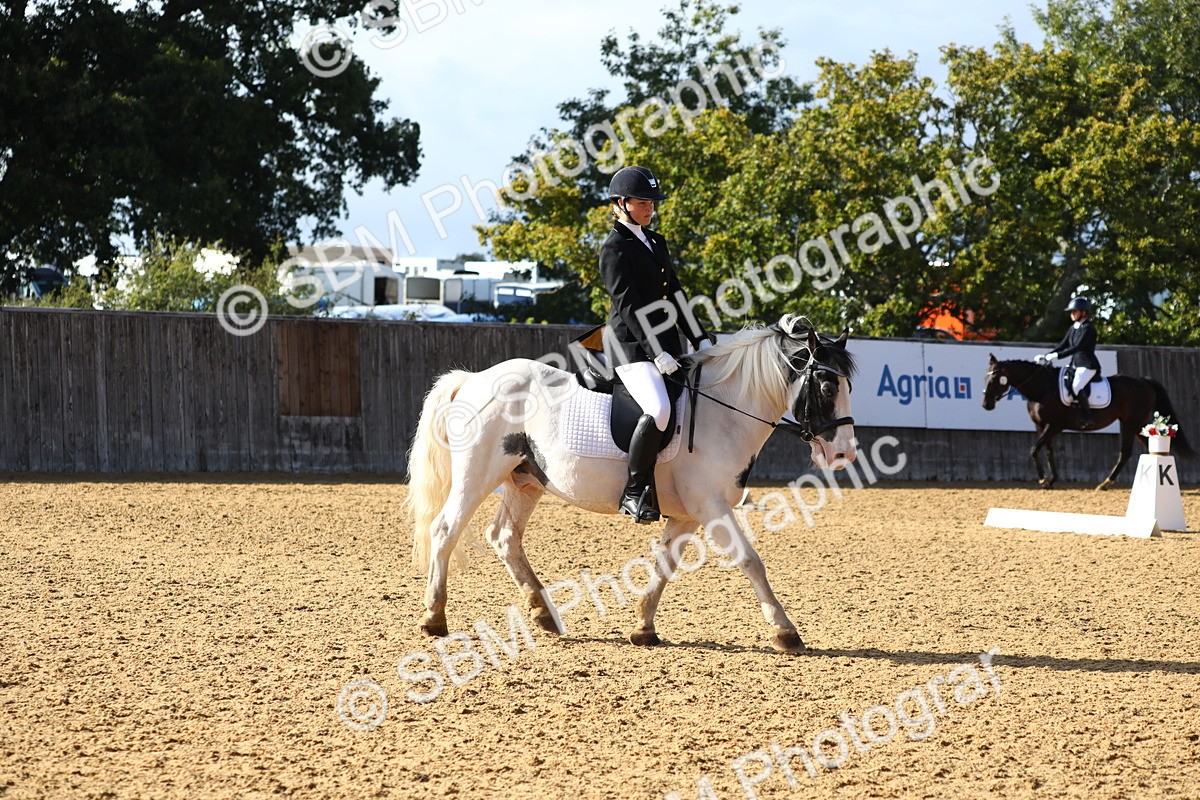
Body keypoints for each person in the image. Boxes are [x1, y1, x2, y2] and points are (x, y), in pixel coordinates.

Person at [599, 165, 712, 523]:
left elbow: (675, 294)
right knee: (659, 409)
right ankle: (634, 492)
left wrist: (698, 335)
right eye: (642, 202)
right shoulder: (614, 248)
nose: (650, 208)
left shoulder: (655, 241)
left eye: (651, 202)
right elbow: (629, 306)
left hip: (666, 344)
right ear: (621, 203)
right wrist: (656, 352)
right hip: (631, 347)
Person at [1037, 296, 1101, 426]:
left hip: (1087, 365)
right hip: (1075, 365)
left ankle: (1087, 416)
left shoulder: (1088, 328)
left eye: (1074, 311)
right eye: (1071, 312)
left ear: (1083, 312)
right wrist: (1047, 355)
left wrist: (1057, 356)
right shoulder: (1074, 327)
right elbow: (1063, 345)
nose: (1072, 314)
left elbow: (1077, 347)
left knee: (1076, 386)